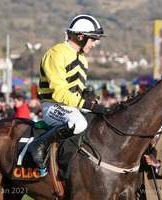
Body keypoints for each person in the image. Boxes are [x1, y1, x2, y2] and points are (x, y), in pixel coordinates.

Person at [28, 14, 109, 176]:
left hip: (70, 107)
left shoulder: (82, 59)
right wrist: (89, 105)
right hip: (52, 106)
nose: (94, 44)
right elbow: (60, 93)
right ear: (80, 37)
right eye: (93, 39)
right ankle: (39, 145)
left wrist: (88, 99)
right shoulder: (55, 54)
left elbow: (75, 91)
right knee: (79, 123)